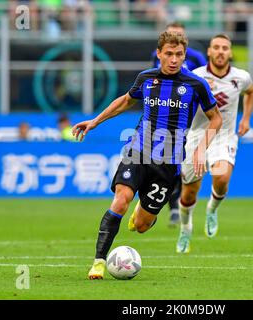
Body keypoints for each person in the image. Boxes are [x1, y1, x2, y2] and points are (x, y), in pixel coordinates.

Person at [72, 31, 222, 279]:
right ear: (159, 54)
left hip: (168, 164)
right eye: (169, 54)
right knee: (121, 200)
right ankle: (98, 262)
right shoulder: (146, 79)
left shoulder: (196, 84)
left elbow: (215, 118)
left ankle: (142, 211)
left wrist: (200, 149)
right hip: (138, 152)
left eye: (179, 55)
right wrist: (95, 121)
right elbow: (125, 101)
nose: (174, 59)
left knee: (141, 226)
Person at [176, 34, 253, 254]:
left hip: (224, 136)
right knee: (188, 194)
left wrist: (246, 118)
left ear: (230, 53)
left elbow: (251, 92)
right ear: (209, 52)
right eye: (216, 48)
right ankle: (186, 227)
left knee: (221, 178)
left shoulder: (241, 77)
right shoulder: (196, 76)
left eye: (225, 48)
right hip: (196, 137)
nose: (221, 51)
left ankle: (212, 209)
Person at [150, 22, 208, 227]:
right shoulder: (158, 57)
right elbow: (153, 80)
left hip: (190, 118)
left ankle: (177, 204)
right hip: (165, 118)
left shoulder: (196, 58)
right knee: (165, 163)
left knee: (181, 165)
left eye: (179, 35)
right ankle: (170, 205)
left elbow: (203, 79)